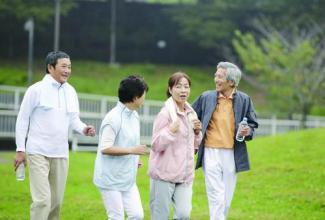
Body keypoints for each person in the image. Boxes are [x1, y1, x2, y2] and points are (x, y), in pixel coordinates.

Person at [14, 51, 96, 220]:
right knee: (43, 200)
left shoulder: (71, 91)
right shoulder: (35, 90)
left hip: (60, 153)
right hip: (37, 151)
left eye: (69, 67)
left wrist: (84, 129)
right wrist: (20, 149)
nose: (67, 70)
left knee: (56, 202)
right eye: (63, 66)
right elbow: (22, 120)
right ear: (50, 67)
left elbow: (74, 119)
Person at [192, 62, 258, 220]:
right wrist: (194, 124)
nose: (215, 79)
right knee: (215, 194)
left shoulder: (244, 99)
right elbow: (191, 113)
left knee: (226, 198)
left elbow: (252, 124)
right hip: (210, 151)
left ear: (231, 82)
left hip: (232, 153)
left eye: (219, 76)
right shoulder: (206, 96)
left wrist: (247, 130)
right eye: (215, 75)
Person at [93, 75, 149, 220]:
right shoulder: (113, 118)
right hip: (109, 179)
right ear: (135, 97)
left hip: (127, 178)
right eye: (144, 94)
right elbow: (105, 148)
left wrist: (134, 159)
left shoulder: (134, 116)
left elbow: (128, 142)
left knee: (137, 215)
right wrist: (132, 151)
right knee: (116, 217)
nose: (145, 98)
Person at [148, 72, 202, 220]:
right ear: (170, 90)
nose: (183, 90)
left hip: (184, 175)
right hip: (164, 174)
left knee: (184, 214)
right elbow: (156, 145)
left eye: (186, 86)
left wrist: (197, 132)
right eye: (178, 86)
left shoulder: (191, 114)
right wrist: (170, 131)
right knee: (160, 216)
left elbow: (194, 147)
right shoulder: (165, 114)